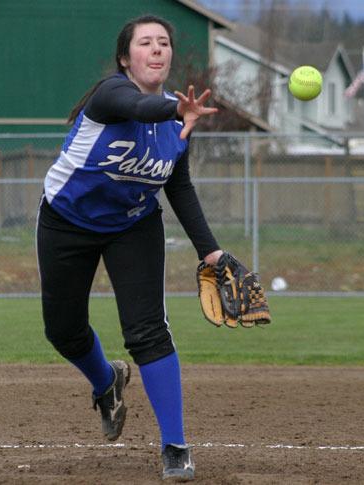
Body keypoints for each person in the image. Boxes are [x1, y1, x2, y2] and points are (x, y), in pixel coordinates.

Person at [36, 14, 222, 482]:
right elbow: (138, 108)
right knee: (63, 331)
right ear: (125, 58)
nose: (157, 49)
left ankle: (175, 446)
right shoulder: (111, 96)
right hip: (66, 221)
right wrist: (177, 111)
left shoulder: (176, 119)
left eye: (164, 43)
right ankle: (107, 382)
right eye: (145, 43)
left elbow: (178, 188)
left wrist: (211, 251)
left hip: (133, 224)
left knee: (147, 332)